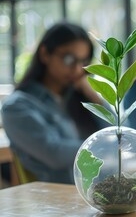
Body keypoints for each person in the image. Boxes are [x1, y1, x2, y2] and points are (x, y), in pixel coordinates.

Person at [1, 22, 104, 184]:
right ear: (45, 54)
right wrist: (106, 148)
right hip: (58, 200)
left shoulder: (78, 96)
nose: (77, 69)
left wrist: (94, 96)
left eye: (84, 61)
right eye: (69, 59)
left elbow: (122, 133)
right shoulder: (17, 107)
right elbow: (54, 154)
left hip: (101, 192)